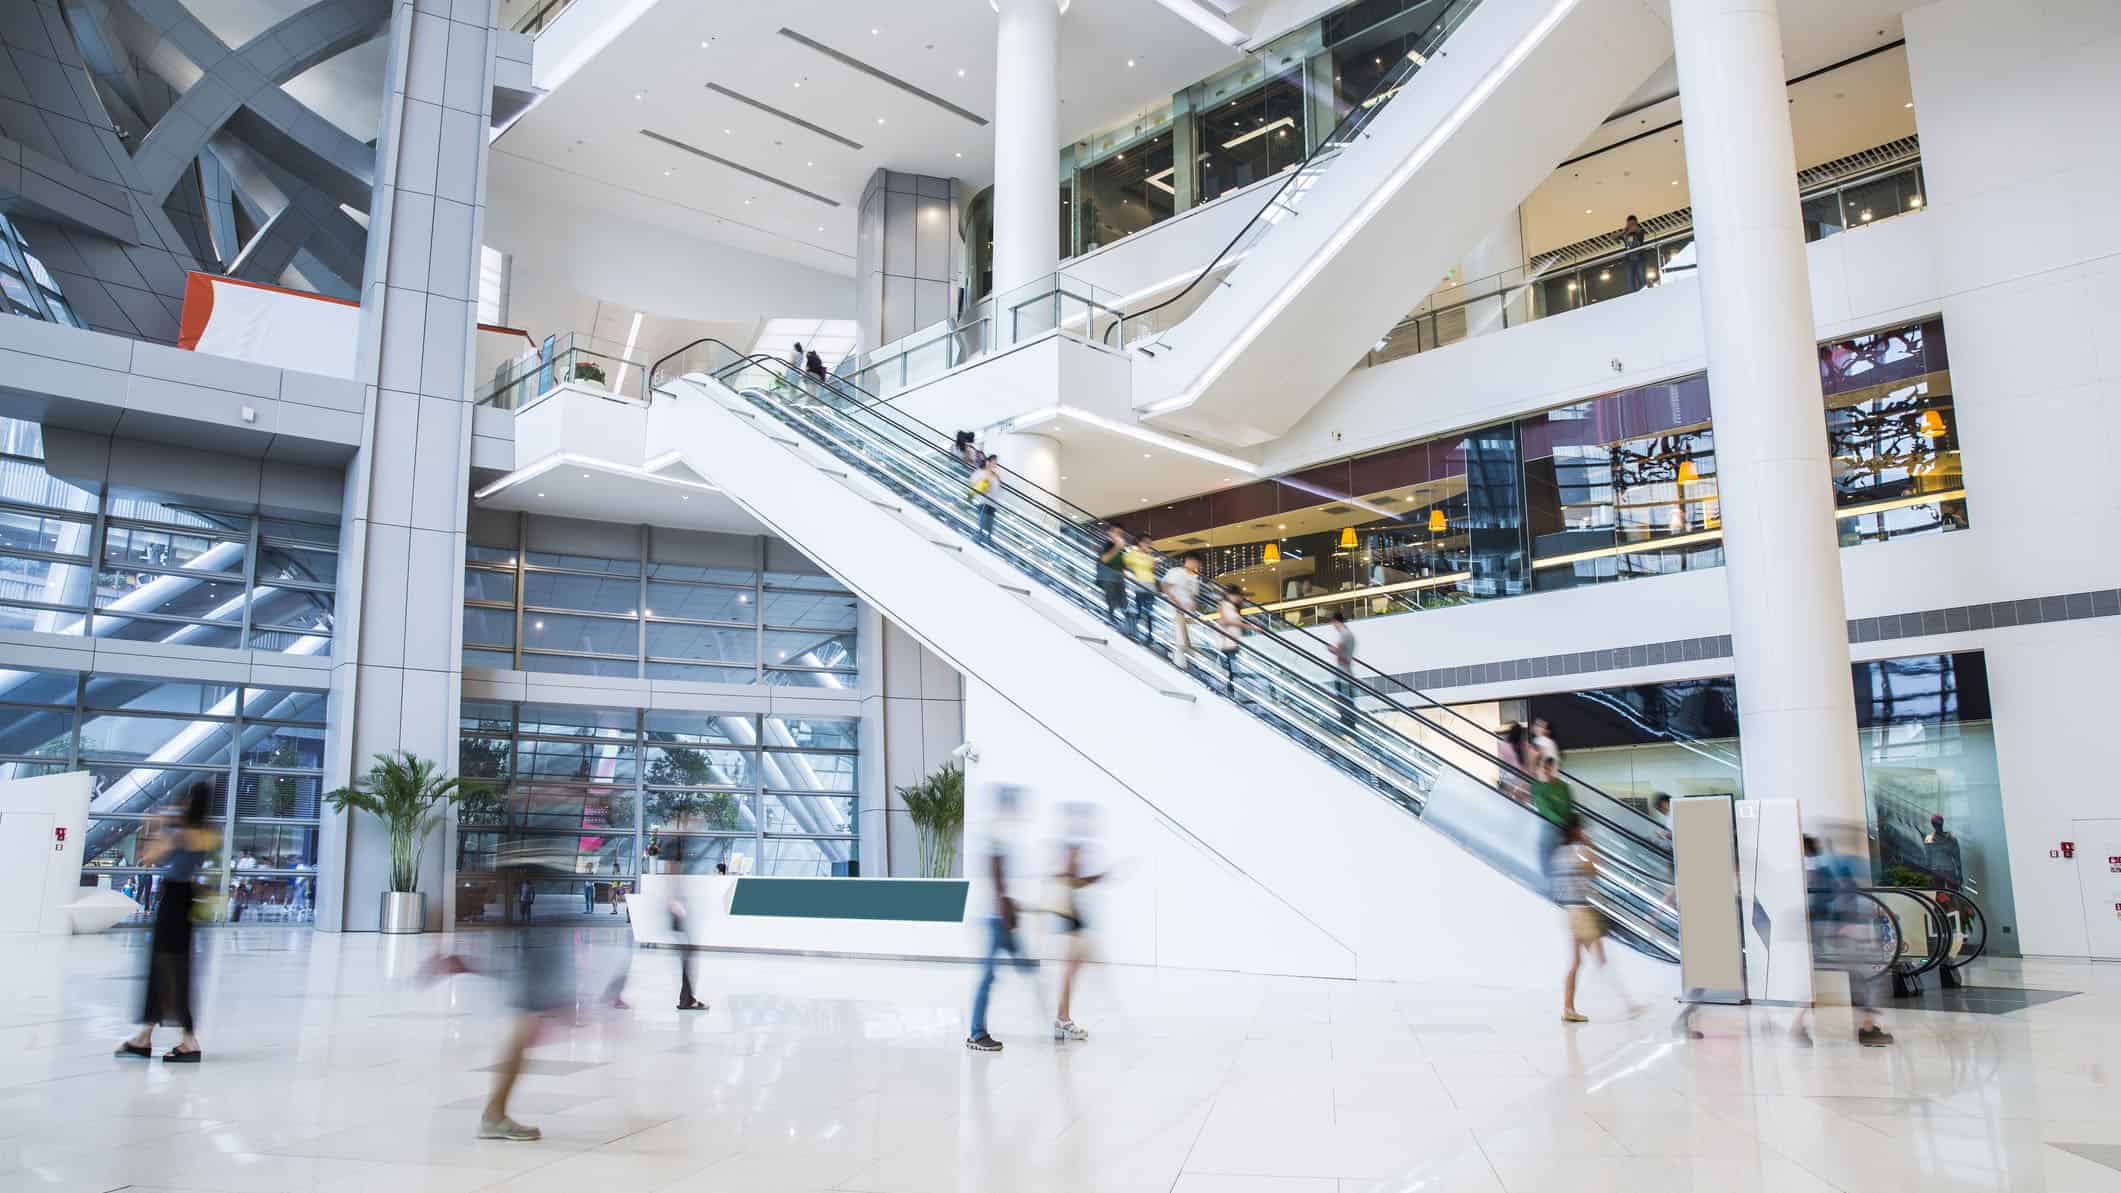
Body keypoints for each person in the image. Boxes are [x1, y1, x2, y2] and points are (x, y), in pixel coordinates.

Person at [116, 781, 216, 1063]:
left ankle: (186, 1041)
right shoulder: (206, 834)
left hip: (172, 902)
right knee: (172, 968)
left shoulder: (179, 833)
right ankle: (146, 1036)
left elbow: (148, 857)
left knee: (165, 967)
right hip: (186, 902)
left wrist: (157, 826)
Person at [1801, 833, 1894, 1048]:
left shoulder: (1819, 867)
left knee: (1861, 979)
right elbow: (1838, 896)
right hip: (1836, 930)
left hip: (1828, 930)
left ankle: (1868, 1027)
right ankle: (1868, 1029)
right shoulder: (1825, 867)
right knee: (1867, 978)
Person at [967, 784, 1036, 1052]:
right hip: (996, 917)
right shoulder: (996, 832)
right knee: (989, 975)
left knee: (1023, 967)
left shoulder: (1001, 833)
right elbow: (996, 876)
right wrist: (1006, 910)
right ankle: (976, 1033)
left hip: (1001, 914)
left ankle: (1055, 1018)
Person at [1553, 816, 1641, 1022]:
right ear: (1576, 831)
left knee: (1578, 961)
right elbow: (1597, 867)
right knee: (1599, 960)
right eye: (1583, 830)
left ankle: (1569, 1008)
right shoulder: (1578, 851)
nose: (1586, 833)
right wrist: (1589, 846)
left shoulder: (1559, 854)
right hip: (1582, 911)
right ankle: (1627, 1005)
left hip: (1571, 910)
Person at [1052, 803, 1107, 1043]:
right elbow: (1069, 879)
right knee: (1073, 966)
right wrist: (1097, 878)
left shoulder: (1074, 845)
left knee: (1076, 965)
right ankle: (1062, 1019)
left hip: (1073, 912)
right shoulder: (1072, 846)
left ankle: (1063, 1018)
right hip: (1070, 913)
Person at [1160, 553, 1202, 669]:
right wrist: (1176, 603)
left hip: (1188, 613)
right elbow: (1165, 586)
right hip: (1175, 610)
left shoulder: (1194, 577)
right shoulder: (1176, 571)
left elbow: (1192, 596)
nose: (1196, 565)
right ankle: (1179, 665)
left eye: (1197, 563)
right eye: (1194, 562)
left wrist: (1194, 607)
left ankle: (1190, 665)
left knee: (1189, 641)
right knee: (1179, 640)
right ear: (1187, 560)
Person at [1123, 533, 1159, 646]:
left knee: (1149, 613)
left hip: (1150, 586)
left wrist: (1154, 566)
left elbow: (1151, 571)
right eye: (1146, 542)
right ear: (1140, 542)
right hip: (1138, 586)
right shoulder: (1131, 554)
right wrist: (1129, 575)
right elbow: (1124, 567)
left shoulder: (1150, 556)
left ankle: (1149, 635)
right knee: (1137, 611)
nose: (1149, 544)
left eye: (1150, 543)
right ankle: (1132, 632)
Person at [1329, 611, 1358, 730]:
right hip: (1347, 671)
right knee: (1347, 698)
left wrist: (1329, 648)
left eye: (1333, 623)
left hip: (1342, 673)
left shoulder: (1344, 634)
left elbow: (1337, 650)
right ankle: (1349, 721)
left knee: (1343, 697)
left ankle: (1347, 722)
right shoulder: (1349, 634)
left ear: (1336, 621)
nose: (1333, 626)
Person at [1924, 814, 1964, 892]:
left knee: (1946, 895)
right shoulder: (1951, 839)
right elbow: (1957, 859)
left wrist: (1928, 873)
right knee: (1948, 894)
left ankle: (1947, 903)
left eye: (1937, 824)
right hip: (1943, 871)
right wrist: (1960, 874)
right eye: (1937, 824)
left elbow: (1928, 860)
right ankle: (1948, 903)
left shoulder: (1929, 839)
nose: (1938, 826)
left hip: (1939, 871)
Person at [1097, 526, 1129, 624]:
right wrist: (1117, 547)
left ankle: (1124, 622)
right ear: (1110, 533)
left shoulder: (1122, 548)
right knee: (1111, 600)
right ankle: (1111, 619)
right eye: (1116, 532)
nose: (1119, 535)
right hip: (1107, 577)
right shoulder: (1106, 545)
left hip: (1118, 578)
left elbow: (1123, 564)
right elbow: (1104, 559)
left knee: (1123, 601)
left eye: (1121, 533)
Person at [1216, 593, 1245, 695]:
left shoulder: (1232, 607)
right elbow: (1225, 622)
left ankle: (1231, 691)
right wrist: (1251, 627)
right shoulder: (1224, 605)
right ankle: (1229, 692)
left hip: (1233, 644)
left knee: (1233, 671)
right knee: (1231, 670)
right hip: (1227, 644)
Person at [970, 453, 1000, 547]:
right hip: (983, 501)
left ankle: (987, 540)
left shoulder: (995, 475)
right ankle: (978, 540)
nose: (995, 464)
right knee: (983, 522)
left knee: (990, 525)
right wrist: (984, 482)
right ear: (988, 462)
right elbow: (972, 482)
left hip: (993, 503)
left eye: (996, 462)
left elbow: (997, 488)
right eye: (993, 461)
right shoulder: (981, 472)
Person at [1620, 215, 1647, 292]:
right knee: (1630, 280)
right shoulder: (1626, 233)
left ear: (1636, 223)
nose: (1631, 225)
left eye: (1632, 223)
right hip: (1629, 259)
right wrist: (1623, 232)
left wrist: (1626, 232)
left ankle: (1644, 293)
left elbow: (1636, 229)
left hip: (1639, 258)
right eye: (1629, 224)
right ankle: (1632, 296)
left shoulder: (1639, 231)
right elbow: (1612, 236)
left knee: (1641, 277)